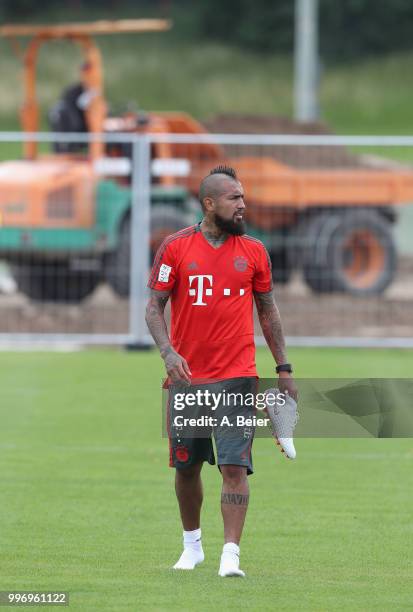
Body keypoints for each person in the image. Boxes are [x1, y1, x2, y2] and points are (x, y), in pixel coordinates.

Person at [145, 165, 297, 577]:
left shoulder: (254, 252)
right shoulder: (175, 248)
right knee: (186, 466)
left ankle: (231, 554)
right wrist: (168, 352)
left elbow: (269, 313)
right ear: (210, 203)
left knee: (234, 466)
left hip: (237, 375)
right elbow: (153, 308)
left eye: (244, 197)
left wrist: (283, 369)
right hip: (188, 379)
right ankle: (191, 546)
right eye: (234, 198)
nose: (243, 205)